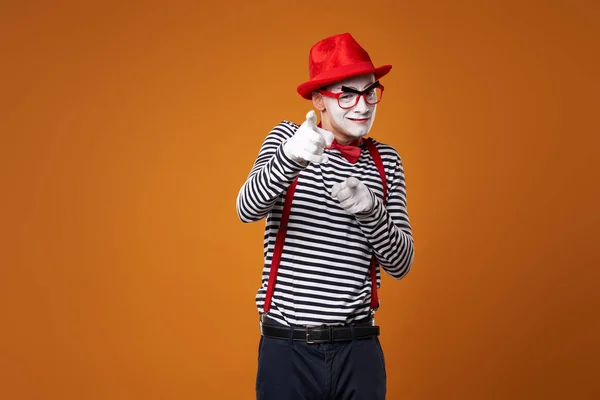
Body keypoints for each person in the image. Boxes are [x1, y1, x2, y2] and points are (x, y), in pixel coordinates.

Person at [236, 32, 415, 400]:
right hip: (288, 349)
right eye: (346, 94)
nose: (362, 106)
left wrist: (372, 211)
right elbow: (246, 208)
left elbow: (401, 263)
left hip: (358, 349)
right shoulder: (287, 138)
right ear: (319, 99)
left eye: (369, 92)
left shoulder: (386, 162)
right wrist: (291, 158)